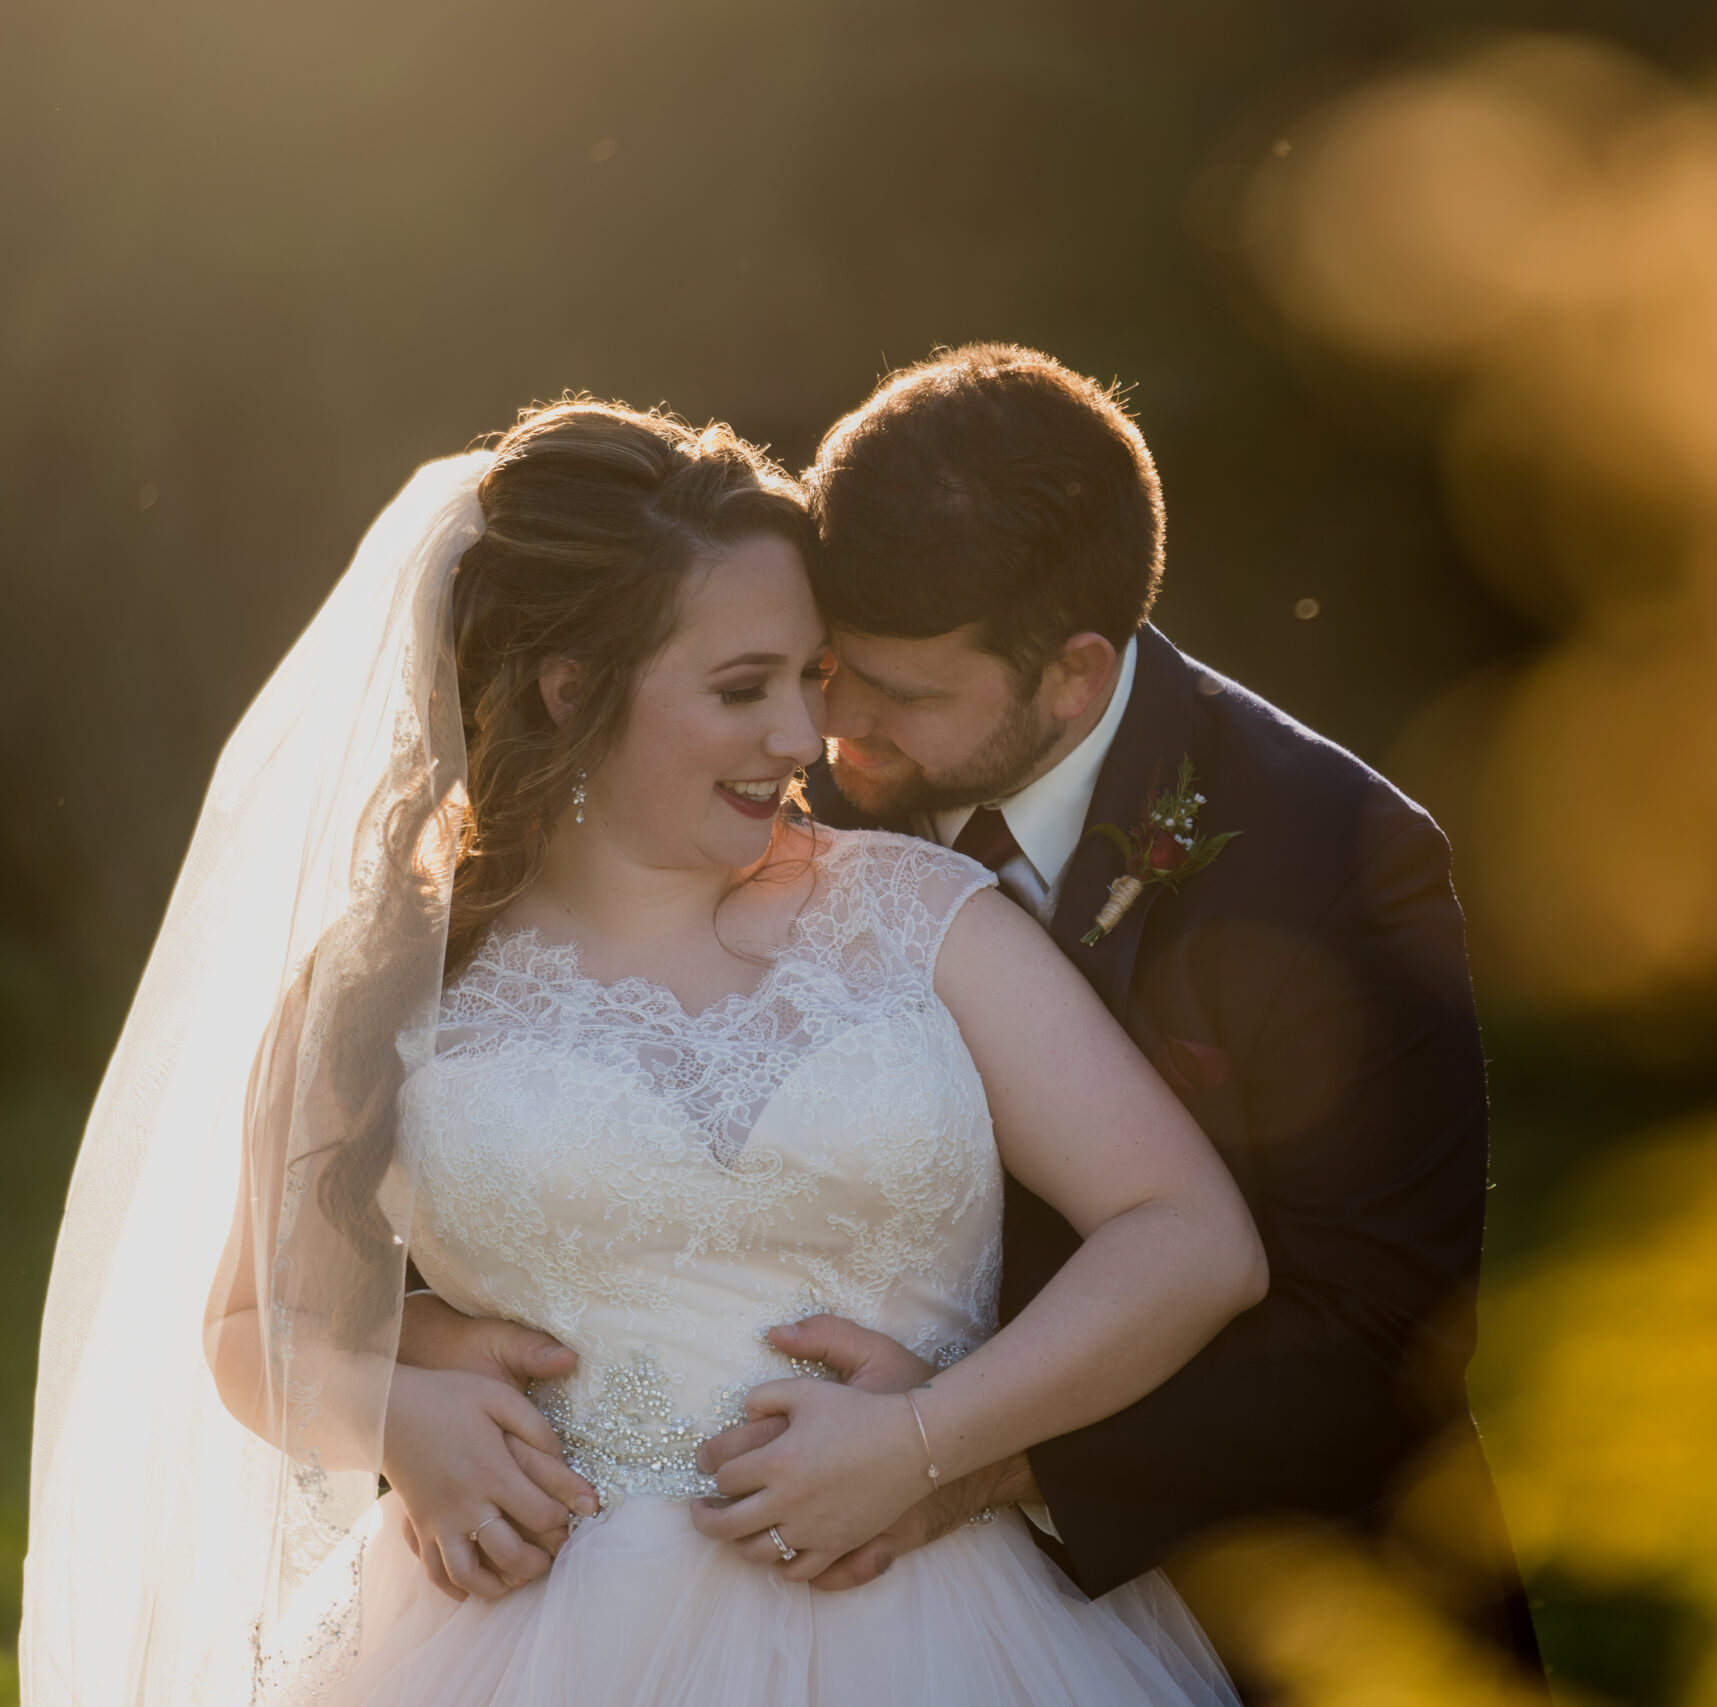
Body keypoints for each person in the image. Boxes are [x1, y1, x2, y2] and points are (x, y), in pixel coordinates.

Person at [22, 399, 1265, 1707]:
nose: (802, 738)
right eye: (743, 689)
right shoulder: (383, 976)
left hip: (933, 1624)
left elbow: (1188, 1235)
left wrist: (927, 1442)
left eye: (811, 677)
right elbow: (247, 1324)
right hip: (528, 1645)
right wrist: (394, 1413)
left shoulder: (918, 917)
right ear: (573, 689)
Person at [735, 344, 1546, 1686]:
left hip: (1274, 1614)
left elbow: (1373, 1340)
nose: (835, 733)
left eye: (907, 696)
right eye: (830, 668)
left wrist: (969, 1461)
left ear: (1073, 671)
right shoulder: (772, 795)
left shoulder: (1338, 857)